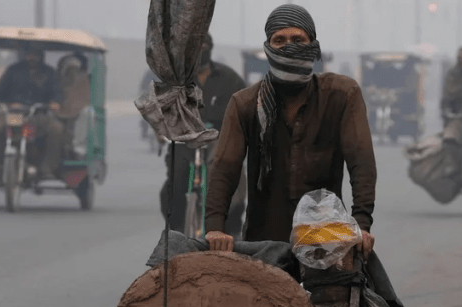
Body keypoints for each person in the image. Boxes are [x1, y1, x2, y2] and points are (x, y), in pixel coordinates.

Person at [204, 4, 377, 257]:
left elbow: (361, 161)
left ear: (313, 45)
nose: (288, 46)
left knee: (367, 293)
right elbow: (224, 168)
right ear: (267, 48)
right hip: (263, 244)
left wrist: (361, 224)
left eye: (298, 39)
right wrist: (215, 228)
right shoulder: (245, 104)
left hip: (326, 239)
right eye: (279, 40)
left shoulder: (341, 96)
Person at [160, 33, 248, 238]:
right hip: (186, 139)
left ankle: (232, 225)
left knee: (226, 169)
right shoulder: (176, 81)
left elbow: (245, 108)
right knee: (175, 176)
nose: (199, 51)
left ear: (211, 47)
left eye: (204, 45)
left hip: (219, 137)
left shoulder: (230, 78)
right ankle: (177, 229)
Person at [0, 44, 65, 178]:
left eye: (35, 54)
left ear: (41, 56)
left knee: (57, 129)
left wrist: (55, 103)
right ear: (24, 55)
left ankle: (47, 167)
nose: (32, 57)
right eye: (29, 54)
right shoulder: (13, 71)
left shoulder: (50, 73)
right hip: (14, 114)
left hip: (39, 115)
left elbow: (57, 93)